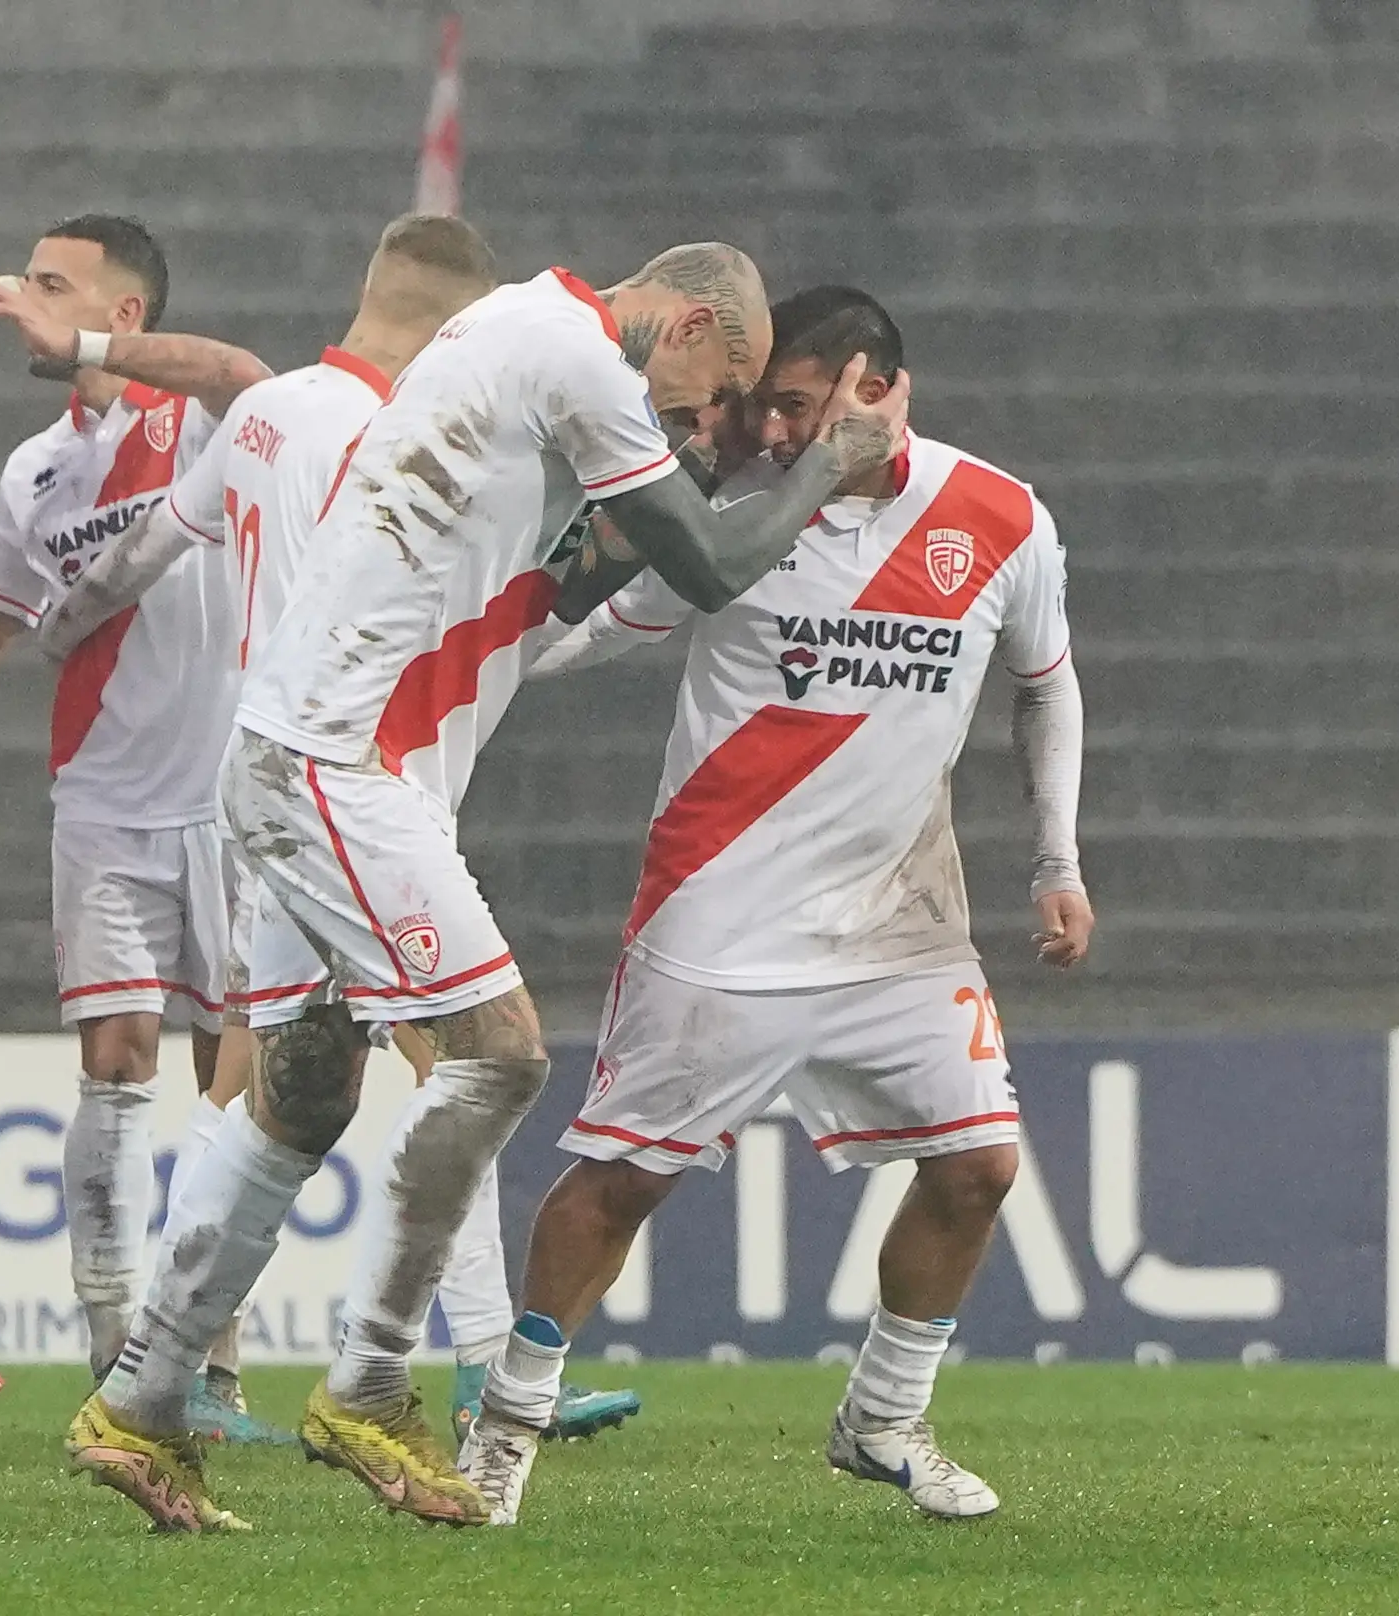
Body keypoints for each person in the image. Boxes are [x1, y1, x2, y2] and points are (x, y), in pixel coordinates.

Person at [64, 243, 909, 1533]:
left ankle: (142, 1400)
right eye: (704, 394)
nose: (691, 426)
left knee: (299, 1100)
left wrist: (710, 486)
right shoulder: (574, 354)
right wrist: (820, 464)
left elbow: (564, 582)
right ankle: (369, 1379)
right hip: (337, 765)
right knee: (500, 1053)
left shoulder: (524, 345)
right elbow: (712, 565)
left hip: (313, 758)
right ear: (686, 321)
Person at [457, 287, 1091, 1524]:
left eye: (801, 406)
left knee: (977, 1166)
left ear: (882, 387)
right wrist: (485, 626)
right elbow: (579, 635)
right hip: (718, 910)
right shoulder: (735, 515)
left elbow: (1046, 687)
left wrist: (1054, 861)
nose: (782, 432)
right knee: (616, 1185)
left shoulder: (1000, 517)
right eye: (766, 409)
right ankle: (506, 1424)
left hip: (900, 926)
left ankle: (882, 1418)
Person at [34, 214, 638, 1453]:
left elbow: (149, 548)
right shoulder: (398, 435)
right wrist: (627, 617)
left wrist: (49, 627)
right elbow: (476, 629)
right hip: (355, 780)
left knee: (260, 1085)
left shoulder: (266, 414)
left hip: (254, 773)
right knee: (461, 1057)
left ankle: (173, 1368)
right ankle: (452, 1362)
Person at [0, 216, 271, 1422]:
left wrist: (88, 338)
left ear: (125, 314)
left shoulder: (199, 421)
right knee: (113, 1065)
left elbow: (251, 379)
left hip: (233, 799)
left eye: (50, 285)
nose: (19, 298)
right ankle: (120, 1357)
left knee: (239, 1087)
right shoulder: (31, 471)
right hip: (102, 802)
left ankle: (211, 1361)